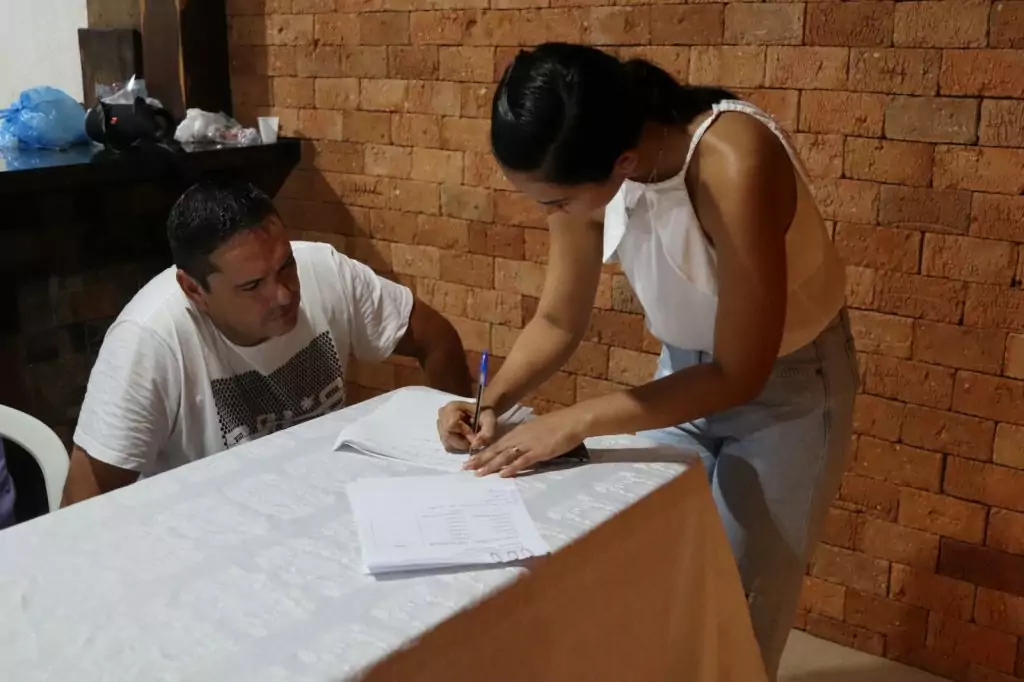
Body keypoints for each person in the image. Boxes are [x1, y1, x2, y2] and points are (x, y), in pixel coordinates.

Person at [436, 43, 857, 680]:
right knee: (647, 566)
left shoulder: (733, 163)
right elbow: (557, 319)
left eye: (554, 204)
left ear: (624, 164)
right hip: (686, 373)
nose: (551, 216)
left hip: (788, 389)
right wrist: (488, 404)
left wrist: (573, 422)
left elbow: (741, 373)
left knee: (736, 613)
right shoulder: (587, 152)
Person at [63, 180, 472, 506]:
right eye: (253, 285)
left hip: (325, 503)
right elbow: (82, 505)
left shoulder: (324, 271)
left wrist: (453, 448)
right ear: (194, 290)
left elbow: (437, 340)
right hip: (205, 529)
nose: (283, 294)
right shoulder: (148, 341)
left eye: (285, 265)